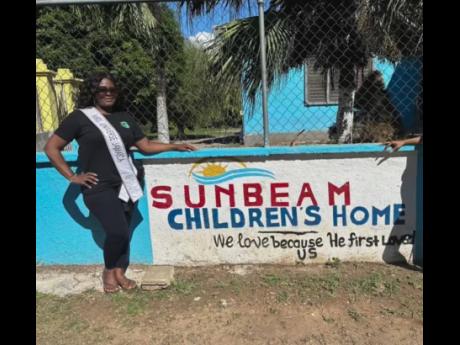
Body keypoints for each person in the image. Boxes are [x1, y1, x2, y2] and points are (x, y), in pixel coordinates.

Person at [44, 72, 197, 293]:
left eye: (112, 90)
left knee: (124, 230)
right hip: (98, 187)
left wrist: (173, 146)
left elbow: (144, 146)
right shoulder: (79, 117)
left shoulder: (125, 117)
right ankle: (109, 270)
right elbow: (52, 148)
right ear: (93, 92)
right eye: (102, 90)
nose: (108, 93)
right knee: (118, 232)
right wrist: (72, 176)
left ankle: (119, 273)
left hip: (126, 184)